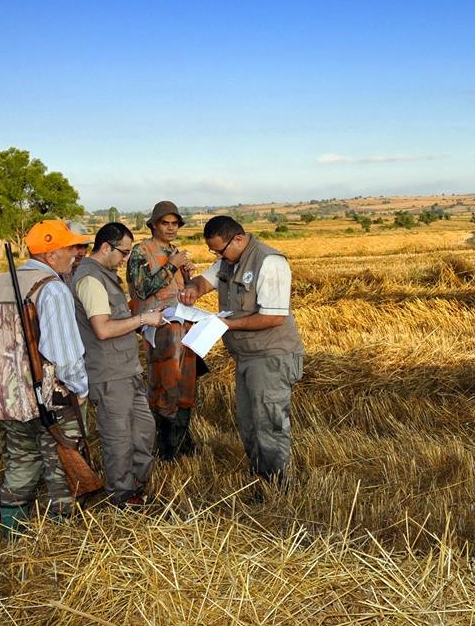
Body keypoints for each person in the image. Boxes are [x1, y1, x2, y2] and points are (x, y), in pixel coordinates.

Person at [0, 220, 92, 538]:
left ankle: (12, 536)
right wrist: (80, 391)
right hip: (54, 397)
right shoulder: (53, 288)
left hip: (10, 396)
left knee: (20, 461)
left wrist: (8, 358)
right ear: (51, 252)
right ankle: (61, 542)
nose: (76, 254)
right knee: (62, 464)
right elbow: (64, 356)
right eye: (71, 248)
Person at [179, 216, 304, 485]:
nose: (218, 256)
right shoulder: (228, 259)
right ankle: (261, 477)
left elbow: (273, 317)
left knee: (268, 424)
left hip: (271, 355)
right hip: (246, 356)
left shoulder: (270, 262)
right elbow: (205, 281)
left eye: (220, 250)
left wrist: (226, 324)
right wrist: (192, 289)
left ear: (237, 238)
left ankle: (279, 486)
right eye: (214, 252)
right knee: (249, 423)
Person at [72, 222, 162, 507]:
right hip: (109, 374)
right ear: (106, 247)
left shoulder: (105, 276)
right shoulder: (91, 279)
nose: (126, 260)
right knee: (119, 438)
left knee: (143, 430)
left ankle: (136, 486)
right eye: (123, 253)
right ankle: (122, 497)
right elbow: (102, 329)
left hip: (127, 370)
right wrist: (143, 320)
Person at [126, 201, 198, 461]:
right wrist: (171, 264)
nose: (170, 228)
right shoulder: (141, 251)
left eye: (174, 223)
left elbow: (180, 293)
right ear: (154, 225)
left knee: (186, 385)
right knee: (164, 386)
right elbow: (143, 289)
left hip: (183, 329)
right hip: (159, 331)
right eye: (165, 223)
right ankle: (166, 449)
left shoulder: (175, 251)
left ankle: (182, 443)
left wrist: (189, 277)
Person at [60, 220, 90, 290]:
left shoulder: (83, 272)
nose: (82, 253)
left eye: (85, 246)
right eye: (78, 246)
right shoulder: (54, 274)